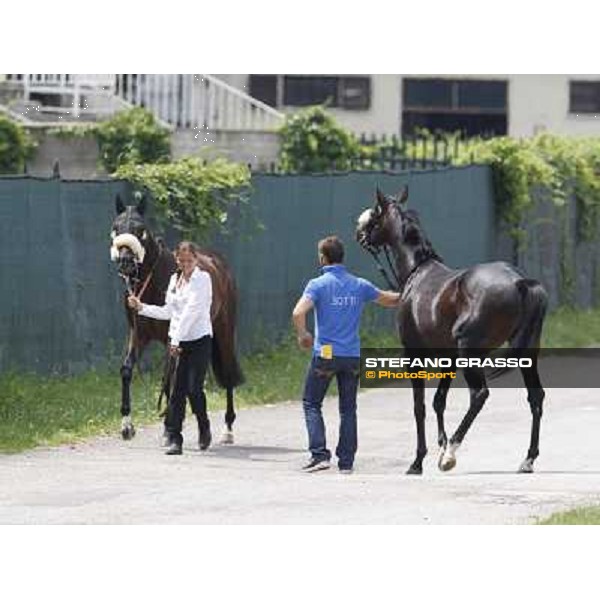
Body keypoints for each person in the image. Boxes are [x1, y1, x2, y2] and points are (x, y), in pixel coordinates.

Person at [292, 236, 400, 474]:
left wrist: (303, 335)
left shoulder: (318, 284)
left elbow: (298, 313)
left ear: (323, 258)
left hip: (326, 354)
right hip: (351, 356)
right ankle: (346, 463)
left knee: (311, 402)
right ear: (342, 257)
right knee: (348, 408)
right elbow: (392, 300)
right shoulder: (360, 285)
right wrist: (411, 288)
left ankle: (319, 455)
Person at [128, 241, 213, 455]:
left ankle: (204, 426)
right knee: (176, 391)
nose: (185, 264)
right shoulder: (174, 280)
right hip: (178, 341)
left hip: (199, 340)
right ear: (177, 259)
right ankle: (176, 438)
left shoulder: (202, 279)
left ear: (196, 259)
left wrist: (175, 341)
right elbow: (169, 312)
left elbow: (192, 312)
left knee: (194, 389)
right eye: (181, 260)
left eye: (189, 260)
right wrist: (142, 308)